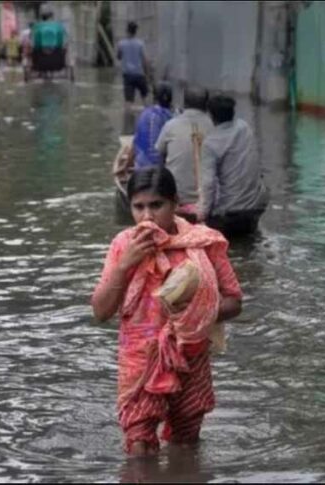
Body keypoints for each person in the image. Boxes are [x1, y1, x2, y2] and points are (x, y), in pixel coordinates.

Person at [91, 166, 243, 457]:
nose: (147, 216)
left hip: (190, 355)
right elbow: (100, 311)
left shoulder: (203, 243)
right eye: (139, 207)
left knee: (185, 444)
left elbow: (234, 302)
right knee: (139, 447)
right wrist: (126, 265)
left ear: (174, 204)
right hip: (140, 360)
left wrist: (198, 311)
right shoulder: (124, 245)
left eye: (156, 205)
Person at [197, 94, 269, 236]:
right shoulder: (245, 127)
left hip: (231, 213)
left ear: (211, 116)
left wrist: (202, 214)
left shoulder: (210, 143)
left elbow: (208, 184)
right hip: (257, 205)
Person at [155, 87, 214, 221]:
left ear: (184, 104)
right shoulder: (214, 126)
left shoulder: (170, 125)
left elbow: (159, 154)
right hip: (207, 200)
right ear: (206, 105)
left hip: (177, 197)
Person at [132, 83, 173, 169]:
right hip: (159, 169)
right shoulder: (171, 117)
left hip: (140, 166)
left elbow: (135, 143)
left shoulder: (144, 113)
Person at [117, 21, 149, 108]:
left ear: (127, 30)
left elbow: (119, 57)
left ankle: (127, 120)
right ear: (136, 31)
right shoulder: (140, 44)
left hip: (128, 76)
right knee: (145, 97)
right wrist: (147, 74)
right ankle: (149, 116)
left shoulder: (121, 43)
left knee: (128, 101)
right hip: (140, 75)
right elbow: (145, 60)